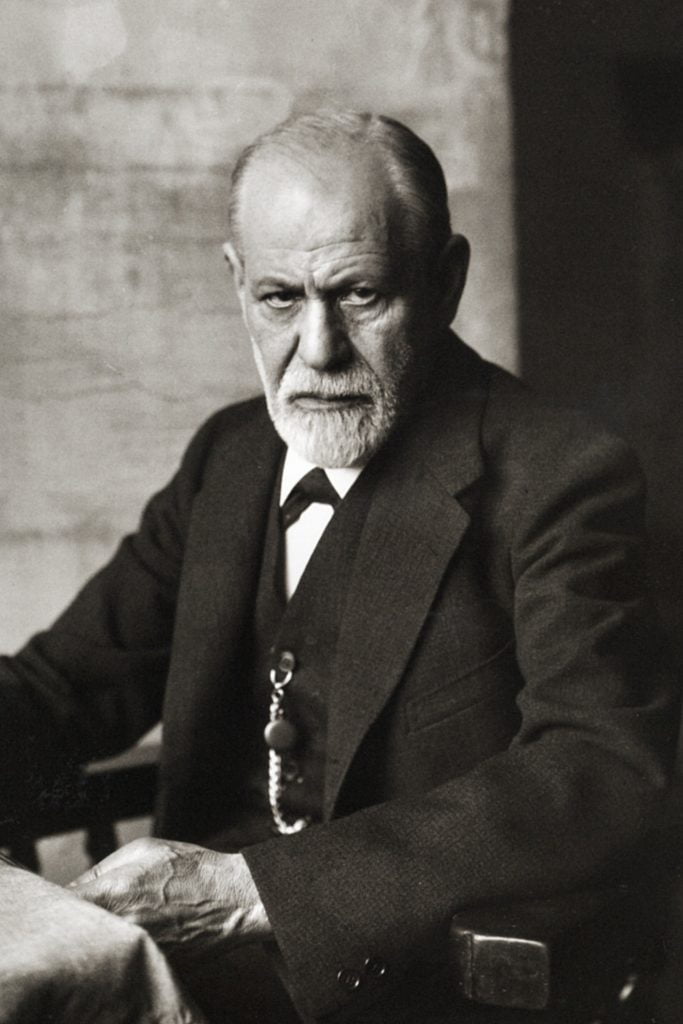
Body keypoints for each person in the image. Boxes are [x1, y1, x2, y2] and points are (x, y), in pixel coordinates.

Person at [0, 110, 678, 1024]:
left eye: (358, 295)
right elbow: (63, 687)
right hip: (194, 972)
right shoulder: (228, 460)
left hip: (421, 978)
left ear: (444, 282)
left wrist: (253, 890)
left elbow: (599, 769)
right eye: (280, 298)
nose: (317, 351)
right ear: (237, 282)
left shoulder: (561, 476)